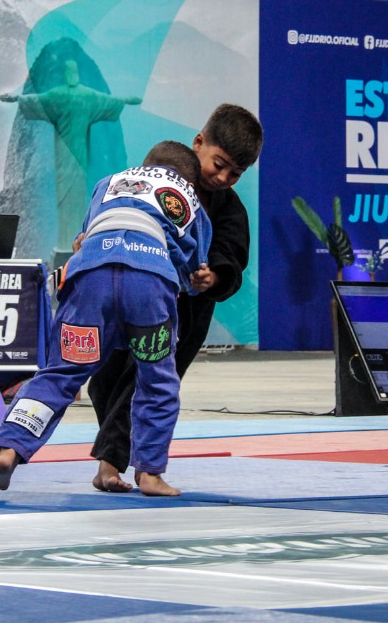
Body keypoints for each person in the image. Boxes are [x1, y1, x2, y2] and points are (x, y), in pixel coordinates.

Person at [0, 141, 211, 497]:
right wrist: (192, 282)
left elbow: (84, 237)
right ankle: (149, 473)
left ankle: (10, 448)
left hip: (91, 275)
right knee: (157, 381)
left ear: (144, 165)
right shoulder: (189, 197)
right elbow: (194, 264)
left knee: (61, 373)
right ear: (190, 182)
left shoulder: (109, 182)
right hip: (148, 281)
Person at [87, 103, 263, 492]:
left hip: (185, 312)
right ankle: (122, 457)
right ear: (199, 142)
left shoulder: (230, 209)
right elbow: (110, 213)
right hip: (127, 293)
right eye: (219, 164)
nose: (224, 177)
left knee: (146, 384)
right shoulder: (146, 182)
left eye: (236, 173)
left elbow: (232, 257)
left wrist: (213, 276)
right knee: (103, 383)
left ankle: (119, 465)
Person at [0, 42, 142, 253]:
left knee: (68, 196)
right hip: (76, 156)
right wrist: (128, 100)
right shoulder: (86, 95)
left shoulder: (60, 95)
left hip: (67, 156)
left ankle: (71, 242)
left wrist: (15, 98)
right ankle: (71, 242)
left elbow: (34, 101)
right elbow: (111, 101)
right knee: (72, 196)